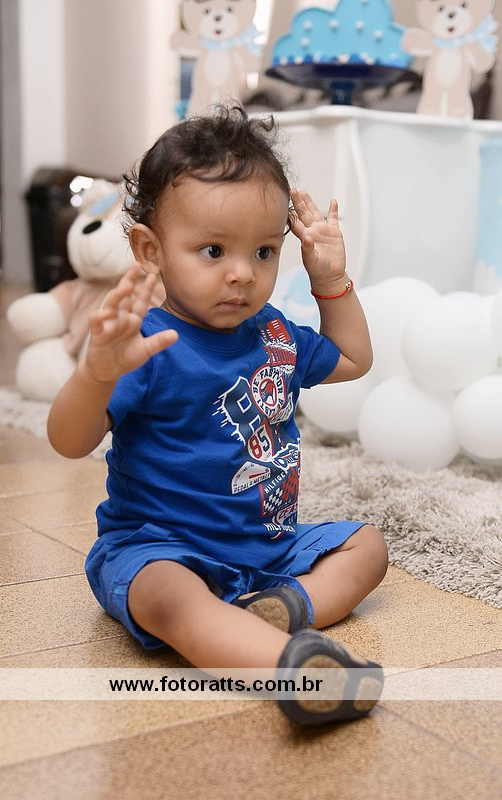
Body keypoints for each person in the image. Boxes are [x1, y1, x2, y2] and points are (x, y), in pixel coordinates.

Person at [47, 106, 389, 726]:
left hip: (268, 550)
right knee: (170, 599)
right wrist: (95, 374)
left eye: (264, 251)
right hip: (160, 548)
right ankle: (293, 670)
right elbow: (68, 441)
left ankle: (283, 608)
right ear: (150, 250)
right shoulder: (147, 344)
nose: (242, 274)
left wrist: (331, 279)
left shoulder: (274, 333)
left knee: (368, 548)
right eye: (213, 251)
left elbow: (351, 359)